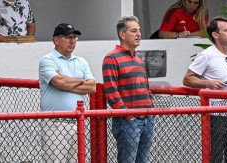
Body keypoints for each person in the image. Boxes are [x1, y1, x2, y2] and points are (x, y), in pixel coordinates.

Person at [183, 16, 227, 163]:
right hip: (215, 115)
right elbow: (188, 79)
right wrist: (208, 83)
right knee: (215, 157)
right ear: (215, 35)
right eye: (226, 30)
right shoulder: (206, 55)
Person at [39, 23, 96, 162]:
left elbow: (92, 87)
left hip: (78, 123)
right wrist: (81, 80)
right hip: (55, 124)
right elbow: (59, 82)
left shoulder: (81, 61)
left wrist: (66, 81)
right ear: (56, 40)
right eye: (68, 37)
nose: (72, 41)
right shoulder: (47, 60)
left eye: (74, 37)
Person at [102, 16, 154, 163]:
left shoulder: (138, 57)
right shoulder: (111, 58)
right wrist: (128, 115)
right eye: (134, 31)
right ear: (122, 34)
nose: (139, 34)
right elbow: (111, 92)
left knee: (143, 160)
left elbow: (145, 86)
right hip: (128, 121)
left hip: (146, 118)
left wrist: (150, 111)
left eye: (139, 30)